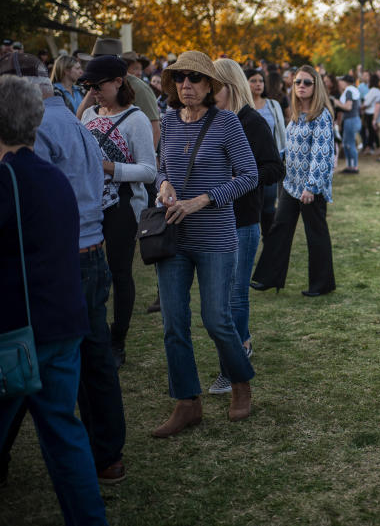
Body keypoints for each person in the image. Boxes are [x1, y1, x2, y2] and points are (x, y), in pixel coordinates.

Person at [0, 75, 109, 524]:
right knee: (65, 432)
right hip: (62, 324)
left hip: (17, 333)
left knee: (62, 433)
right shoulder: (55, 179)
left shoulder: (8, 180)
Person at [152, 51, 258, 437]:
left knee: (217, 319)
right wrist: (163, 183)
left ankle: (241, 382)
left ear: (210, 86)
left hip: (215, 237)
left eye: (194, 79)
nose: (186, 86)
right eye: (180, 79)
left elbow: (249, 176)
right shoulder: (168, 120)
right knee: (173, 323)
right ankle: (187, 403)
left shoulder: (227, 123)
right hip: (173, 237)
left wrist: (203, 199)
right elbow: (163, 166)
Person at [207, 58, 283, 394]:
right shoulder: (208, 120)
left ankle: (232, 366)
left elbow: (274, 168)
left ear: (230, 86)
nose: (208, 92)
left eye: (214, 85)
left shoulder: (252, 122)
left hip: (242, 220)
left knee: (235, 297)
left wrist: (243, 178)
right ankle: (241, 347)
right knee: (216, 299)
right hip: (209, 219)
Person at [78, 56, 157, 367]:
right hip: (90, 204)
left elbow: (149, 171)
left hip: (123, 205)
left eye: (98, 85)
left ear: (118, 82)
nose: (94, 91)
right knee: (88, 273)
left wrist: (109, 167)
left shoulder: (136, 119)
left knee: (120, 272)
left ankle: (118, 339)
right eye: (88, 86)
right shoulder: (87, 116)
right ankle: (93, 334)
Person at [251, 65, 337, 297]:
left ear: (316, 86)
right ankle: (268, 278)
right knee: (279, 229)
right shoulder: (296, 115)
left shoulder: (322, 116)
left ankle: (322, 284)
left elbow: (322, 154)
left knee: (315, 234)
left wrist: (311, 187)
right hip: (290, 184)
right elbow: (289, 148)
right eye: (298, 81)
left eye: (307, 82)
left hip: (311, 188)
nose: (301, 86)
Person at [245, 68, 286, 236]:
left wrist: (282, 154)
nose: (258, 84)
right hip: (248, 161)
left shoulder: (273, 105)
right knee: (251, 207)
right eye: (253, 81)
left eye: (261, 81)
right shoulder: (243, 106)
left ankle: (269, 242)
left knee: (269, 205)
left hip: (269, 160)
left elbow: (281, 131)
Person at [335, 74, 362, 173]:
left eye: (341, 81)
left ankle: (354, 167)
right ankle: (350, 166)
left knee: (350, 144)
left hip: (351, 119)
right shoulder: (353, 89)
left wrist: (337, 102)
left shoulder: (349, 90)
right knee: (347, 144)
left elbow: (348, 107)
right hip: (354, 119)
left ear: (344, 82)